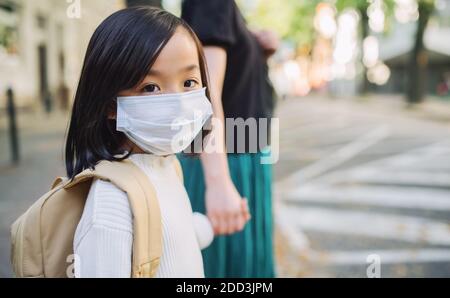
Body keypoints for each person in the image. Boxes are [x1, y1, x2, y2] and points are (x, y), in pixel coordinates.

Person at [64, 7, 248, 278]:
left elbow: (168, 242)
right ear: (110, 105)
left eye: (189, 82)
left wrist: (208, 226)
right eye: (150, 87)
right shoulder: (111, 205)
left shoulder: (167, 165)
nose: (178, 103)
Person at [179, 0, 279, 278]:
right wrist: (218, 182)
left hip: (241, 159)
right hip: (226, 160)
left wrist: (256, 47)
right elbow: (204, 96)